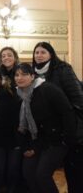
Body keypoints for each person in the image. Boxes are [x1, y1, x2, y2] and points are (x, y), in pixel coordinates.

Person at [15, 63, 76, 193]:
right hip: (38, 142)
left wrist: (67, 139)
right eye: (17, 75)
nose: (19, 78)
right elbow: (25, 126)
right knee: (28, 172)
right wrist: (29, 147)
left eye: (24, 74)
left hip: (57, 141)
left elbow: (67, 112)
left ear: (32, 76)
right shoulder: (21, 95)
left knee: (42, 175)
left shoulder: (47, 89)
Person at [31, 42, 83, 193]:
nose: (39, 55)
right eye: (36, 53)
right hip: (49, 132)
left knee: (74, 173)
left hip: (70, 128)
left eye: (43, 52)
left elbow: (78, 99)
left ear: (51, 54)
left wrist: (71, 126)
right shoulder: (32, 74)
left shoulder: (62, 69)